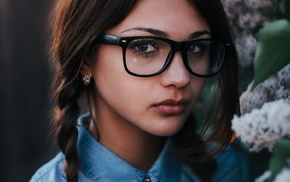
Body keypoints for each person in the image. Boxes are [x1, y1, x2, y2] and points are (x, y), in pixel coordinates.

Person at [31, 0, 251, 181]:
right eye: (144, 47)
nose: (181, 77)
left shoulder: (228, 171)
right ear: (86, 57)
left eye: (195, 48)